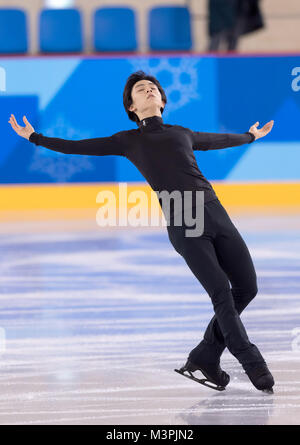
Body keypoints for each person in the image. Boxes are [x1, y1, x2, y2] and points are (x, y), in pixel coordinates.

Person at [8, 70, 275, 392]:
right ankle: (252, 362)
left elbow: (218, 140)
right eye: (140, 89)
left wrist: (250, 136)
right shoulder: (128, 140)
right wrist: (35, 137)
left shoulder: (183, 133)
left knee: (247, 287)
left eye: (153, 88)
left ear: (162, 100)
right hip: (183, 220)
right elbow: (77, 147)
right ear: (131, 107)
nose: (148, 90)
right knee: (220, 291)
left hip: (216, 213)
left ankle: (205, 356)